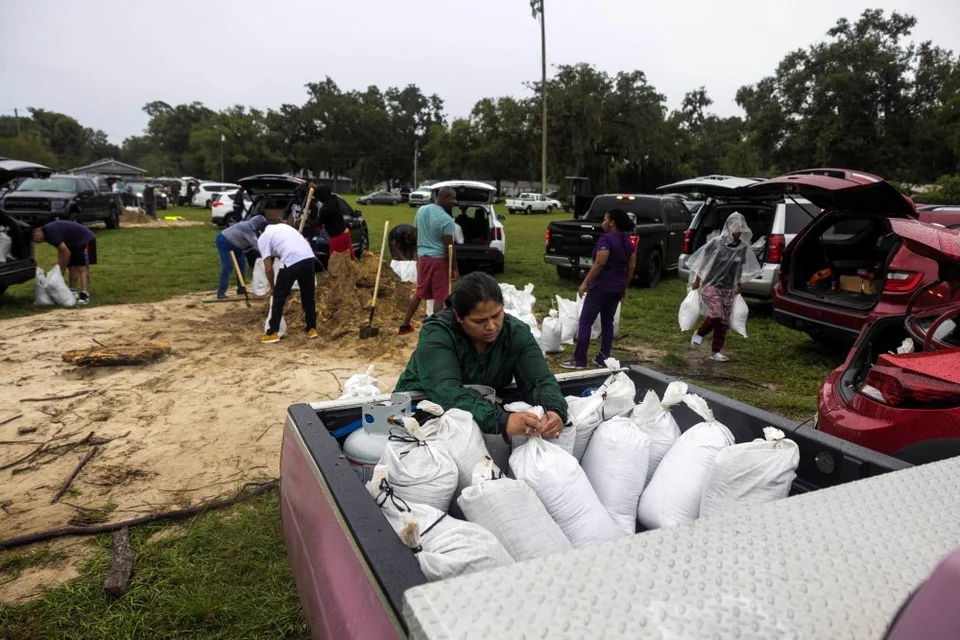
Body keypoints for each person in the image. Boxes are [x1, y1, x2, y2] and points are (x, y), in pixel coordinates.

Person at [396, 272, 568, 441]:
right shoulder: (437, 334)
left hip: (478, 413)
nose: (491, 326)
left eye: (496, 315)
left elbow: (539, 380)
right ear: (459, 316)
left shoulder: (515, 333)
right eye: (479, 321)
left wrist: (553, 409)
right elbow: (448, 391)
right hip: (418, 412)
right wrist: (501, 420)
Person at [562, 208, 637, 369]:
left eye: (605, 219)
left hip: (600, 287)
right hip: (616, 288)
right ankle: (603, 358)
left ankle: (579, 360)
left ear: (612, 222)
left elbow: (600, 263)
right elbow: (631, 267)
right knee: (607, 323)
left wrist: (585, 283)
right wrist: (623, 287)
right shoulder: (628, 242)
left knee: (586, 321)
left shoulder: (606, 240)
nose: (603, 222)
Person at [687, 212, 761, 362]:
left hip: (728, 288)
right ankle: (700, 333)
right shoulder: (716, 243)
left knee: (723, 322)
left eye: (741, 225)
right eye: (735, 225)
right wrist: (697, 280)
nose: (739, 228)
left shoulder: (741, 247)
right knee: (716, 314)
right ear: (728, 226)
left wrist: (738, 284)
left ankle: (716, 352)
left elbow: (739, 267)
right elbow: (703, 262)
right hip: (711, 284)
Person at [398, 187, 458, 335]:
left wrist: (418, 254)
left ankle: (405, 325)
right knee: (440, 296)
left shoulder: (421, 211)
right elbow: (449, 245)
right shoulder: (447, 220)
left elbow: (417, 234)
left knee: (419, 292)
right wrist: (454, 267)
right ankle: (437, 331)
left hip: (423, 259)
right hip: (438, 261)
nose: (455, 202)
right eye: (453, 198)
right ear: (443, 197)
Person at [257, 219, 318, 344]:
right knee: (308, 295)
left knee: (278, 297)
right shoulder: (283, 228)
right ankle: (311, 328)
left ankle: (272, 332)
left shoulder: (263, 237)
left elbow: (268, 268)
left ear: (259, 231)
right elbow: (283, 249)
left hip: (292, 259)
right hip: (308, 257)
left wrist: (273, 287)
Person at [32, 220, 97, 305]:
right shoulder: (47, 234)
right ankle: (73, 291)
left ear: (37, 234)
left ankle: (84, 294)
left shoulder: (50, 233)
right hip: (72, 242)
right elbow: (61, 250)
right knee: (72, 267)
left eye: (36, 241)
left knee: (82, 268)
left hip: (84, 239)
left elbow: (67, 253)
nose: (38, 243)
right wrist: (59, 268)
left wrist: (62, 269)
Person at [215, 213, 267, 299]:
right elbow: (255, 244)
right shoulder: (246, 227)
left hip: (237, 246)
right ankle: (221, 293)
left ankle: (241, 289)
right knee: (228, 266)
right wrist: (267, 254)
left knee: (242, 265)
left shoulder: (253, 229)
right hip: (224, 241)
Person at [316, 185, 355, 259]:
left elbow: (318, 225)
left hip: (336, 237)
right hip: (345, 232)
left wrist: (307, 221)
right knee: (350, 257)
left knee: (335, 261)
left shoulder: (324, 210)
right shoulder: (335, 199)